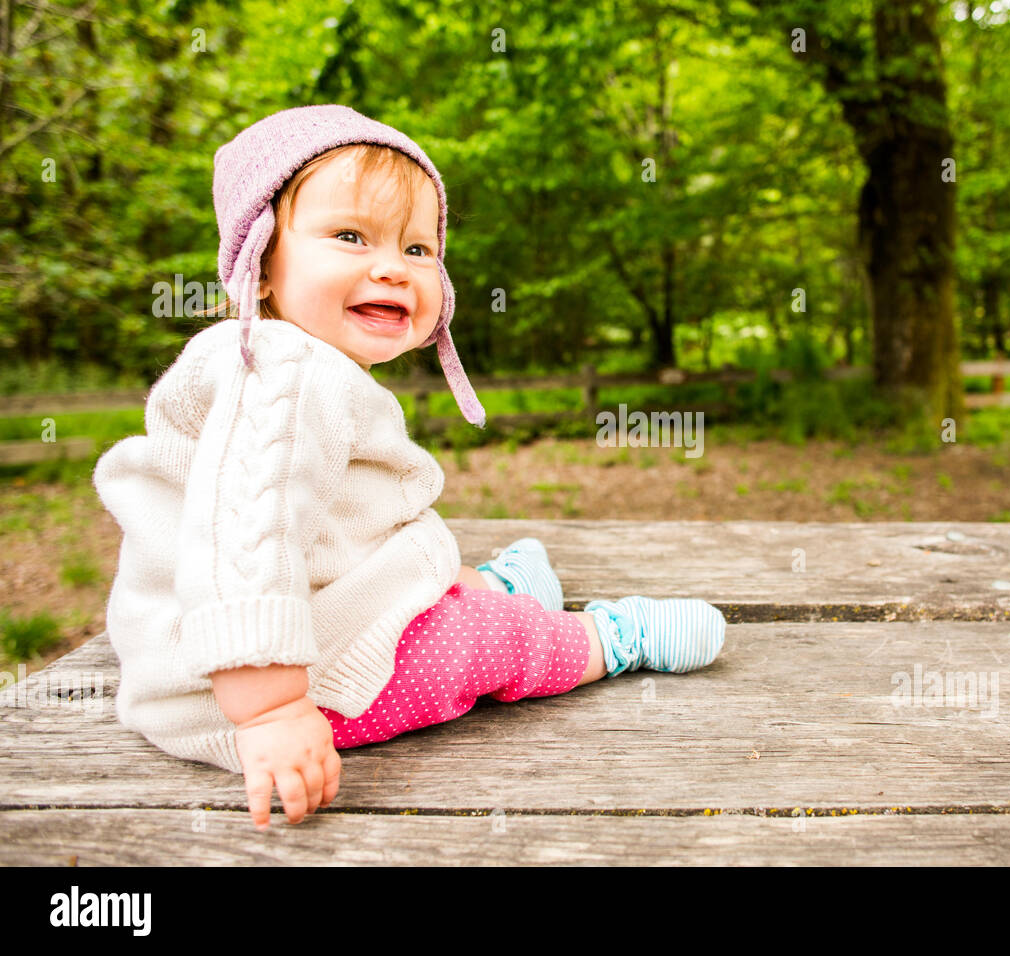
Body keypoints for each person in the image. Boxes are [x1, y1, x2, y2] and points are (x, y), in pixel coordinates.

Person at [92, 104, 725, 832]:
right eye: (350, 236)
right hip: (249, 685)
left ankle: (484, 585)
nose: (393, 265)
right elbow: (246, 546)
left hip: (268, 634)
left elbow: (338, 531)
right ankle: (606, 640)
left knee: (405, 549)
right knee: (478, 642)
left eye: (419, 249)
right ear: (261, 264)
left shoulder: (294, 364)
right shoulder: (284, 377)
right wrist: (271, 710)